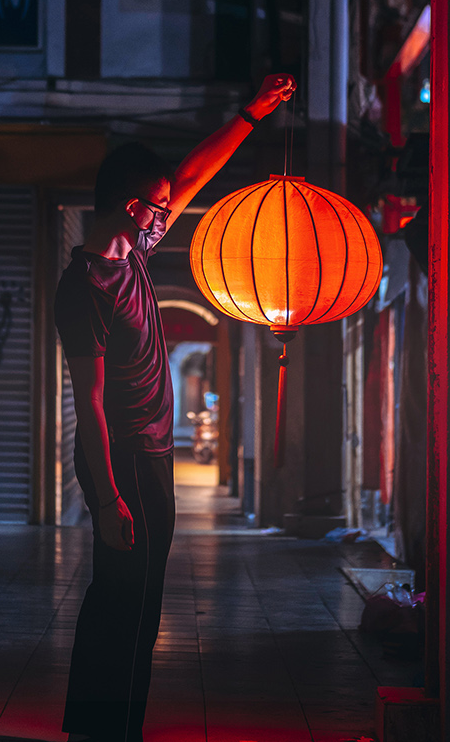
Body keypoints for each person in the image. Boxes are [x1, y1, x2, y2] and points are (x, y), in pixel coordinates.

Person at [54, 73, 296, 742]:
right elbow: (91, 405)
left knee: (132, 601)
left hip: (149, 457)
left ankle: (100, 726)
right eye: (159, 205)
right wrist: (107, 499)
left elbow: (192, 172)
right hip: (123, 460)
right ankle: (108, 730)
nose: (171, 210)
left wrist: (250, 113)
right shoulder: (86, 290)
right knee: (124, 604)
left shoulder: (133, 252)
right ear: (132, 207)